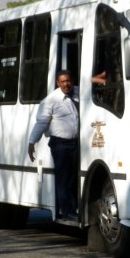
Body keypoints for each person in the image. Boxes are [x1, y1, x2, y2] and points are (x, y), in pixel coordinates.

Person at [28, 70, 79, 221]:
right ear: (58, 83)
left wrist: (97, 79)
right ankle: (67, 211)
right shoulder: (50, 100)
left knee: (74, 177)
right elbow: (42, 123)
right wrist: (32, 142)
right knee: (63, 178)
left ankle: (74, 207)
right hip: (60, 144)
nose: (66, 84)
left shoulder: (77, 92)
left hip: (76, 143)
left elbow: (87, 82)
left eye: (68, 81)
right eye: (63, 82)